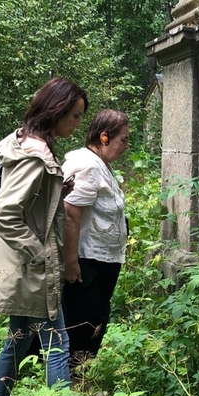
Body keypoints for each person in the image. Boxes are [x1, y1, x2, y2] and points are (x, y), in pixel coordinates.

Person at [0, 78, 87, 396]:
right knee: (58, 345)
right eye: (76, 116)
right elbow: (6, 212)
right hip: (31, 266)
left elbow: (25, 203)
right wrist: (39, 253)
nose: (78, 123)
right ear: (58, 111)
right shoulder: (35, 157)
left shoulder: (24, 143)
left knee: (18, 341)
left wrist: (56, 191)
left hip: (19, 266)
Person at [62, 109, 130, 367]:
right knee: (83, 326)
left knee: (94, 322)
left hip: (99, 261)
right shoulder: (89, 165)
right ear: (104, 138)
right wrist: (71, 264)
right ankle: (73, 388)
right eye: (122, 140)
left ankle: (78, 385)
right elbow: (70, 214)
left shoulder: (100, 165)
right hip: (87, 264)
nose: (125, 146)